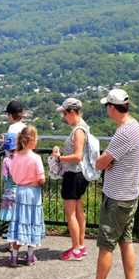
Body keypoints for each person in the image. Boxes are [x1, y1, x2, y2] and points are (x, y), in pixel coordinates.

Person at [72, 89, 139, 279]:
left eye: (107, 106)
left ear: (112, 107)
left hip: (117, 198)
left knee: (106, 245)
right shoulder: (135, 127)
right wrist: (108, 161)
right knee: (125, 241)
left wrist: (105, 161)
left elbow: (100, 163)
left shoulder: (124, 132)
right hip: (129, 195)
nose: (106, 109)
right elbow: (109, 161)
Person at [51, 98, 91, 261]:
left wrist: (59, 158)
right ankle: (80, 245)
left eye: (65, 113)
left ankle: (76, 248)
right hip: (80, 175)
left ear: (73, 112)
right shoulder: (83, 127)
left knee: (71, 213)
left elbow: (77, 156)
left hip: (73, 175)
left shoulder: (78, 130)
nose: (64, 117)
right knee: (79, 211)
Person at [6, 126, 46, 266]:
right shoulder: (36, 158)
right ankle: (30, 256)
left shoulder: (14, 156)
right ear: (31, 140)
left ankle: (14, 256)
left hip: (20, 191)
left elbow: (13, 175)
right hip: (33, 193)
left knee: (19, 222)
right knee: (31, 222)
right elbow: (41, 180)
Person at [0, 100, 26, 255]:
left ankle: (11, 242)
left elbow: (10, 147)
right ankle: (19, 239)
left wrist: (5, 141)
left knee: (11, 204)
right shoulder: (25, 127)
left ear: (10, 115)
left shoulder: (12, 128)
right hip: (24, 169)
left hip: (12, 169)